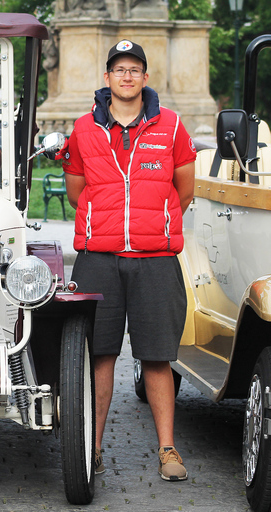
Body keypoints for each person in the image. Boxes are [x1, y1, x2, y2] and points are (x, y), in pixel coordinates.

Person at [61, 40, 196, 481]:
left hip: (155, 259)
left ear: (145, 77)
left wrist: (150, 224)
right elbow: (78, 192)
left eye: (134, 69)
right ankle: (91, 449)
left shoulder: (171, 126)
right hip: (98, 258)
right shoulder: (83, 129)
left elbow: (185, 190)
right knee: (98, 355)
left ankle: (168, 450)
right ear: (107, 78)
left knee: (157, 357)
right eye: (118, 69)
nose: (126, 76)